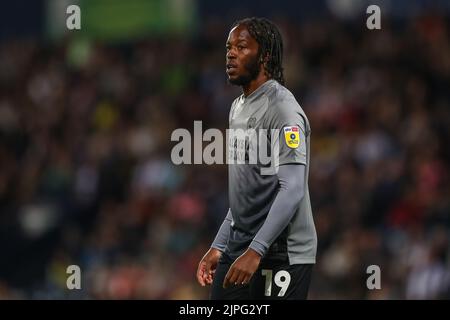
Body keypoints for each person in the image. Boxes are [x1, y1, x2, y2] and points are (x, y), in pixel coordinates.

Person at [196, 17, 317, 300]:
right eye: (228, 47)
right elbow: (245, 195)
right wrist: (219, 245)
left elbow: (292, 188)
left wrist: (256, 251)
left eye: (241, 47)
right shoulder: (237, 107)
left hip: (281, 255)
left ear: (264, 55)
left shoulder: (283, 110)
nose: (230, 53)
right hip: (241, 248)